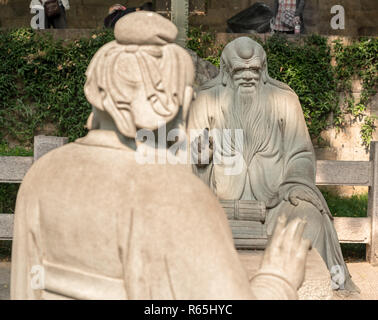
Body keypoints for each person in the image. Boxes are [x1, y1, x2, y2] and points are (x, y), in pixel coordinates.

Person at [11, 12, 310, 300]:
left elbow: (24, 288)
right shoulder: (177, 195)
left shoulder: (42, 176)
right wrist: (277, 279)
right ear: (173, 103)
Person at [188, 36, 359, 292]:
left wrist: (296, 184)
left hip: (275, 205)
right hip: (218, 206)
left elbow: (300, 154)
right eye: (239, 70)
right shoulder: (205, 99)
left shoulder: (285, 100)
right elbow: (190, 153)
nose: (248, 76)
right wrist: (200, 158)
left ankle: (319, 290)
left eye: (254, 69)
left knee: (311, 219)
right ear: (225, 70)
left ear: (263, 69)